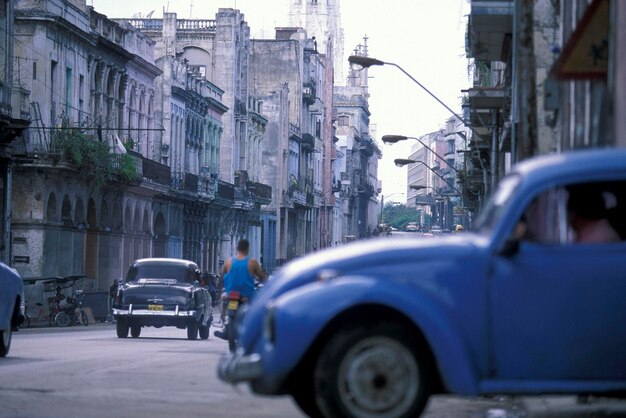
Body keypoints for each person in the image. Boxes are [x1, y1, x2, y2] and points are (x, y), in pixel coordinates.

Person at [215, 239, 266, 339]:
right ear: (247, 249)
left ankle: (223, 320)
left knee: (224, 300)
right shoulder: (252, 263)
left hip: (232, 295)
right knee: (257, 309)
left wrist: (222, 289)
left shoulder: (228, 262)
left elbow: (221, 279)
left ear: (237, 248)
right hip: (247, 296)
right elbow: (263, 278)